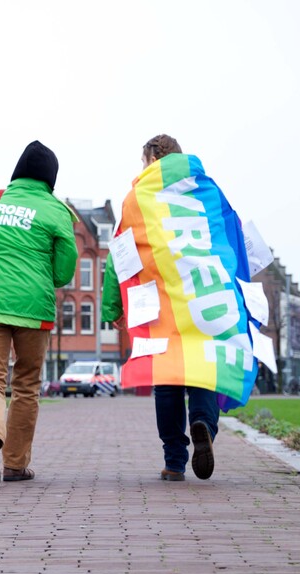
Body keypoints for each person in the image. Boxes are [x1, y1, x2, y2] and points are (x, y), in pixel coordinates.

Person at [102, 134, 254, 482]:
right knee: (202, 370)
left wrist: (113, 307)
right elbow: (232, 233)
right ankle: (204, 425)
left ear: (154, 157)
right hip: (205, 298)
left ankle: (174, 461)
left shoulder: (138, 197)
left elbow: (120, 256)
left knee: (167, 379)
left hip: (160, 306)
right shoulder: (210, 192)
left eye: (143, 162)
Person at [0, 140, 77, 487]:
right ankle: (16, 465)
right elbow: (63, 272)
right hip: (34, 309)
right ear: (51, 179)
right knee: (27, 384)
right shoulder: (57, 210)